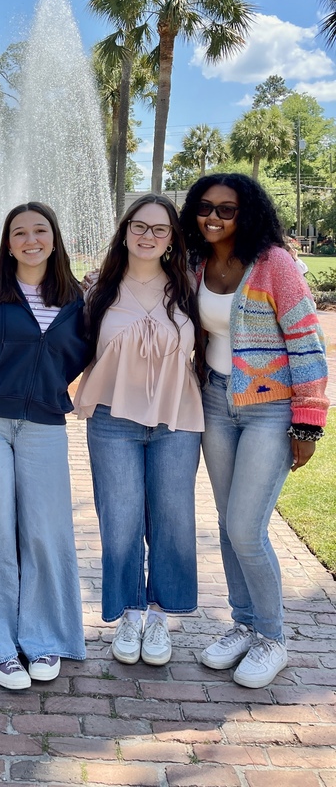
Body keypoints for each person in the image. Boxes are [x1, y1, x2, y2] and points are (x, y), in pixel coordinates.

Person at [181, 174, 329, 689]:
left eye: (228, 208)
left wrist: (309, 422)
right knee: (228, 524)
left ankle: (273, 638)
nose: (215, 216)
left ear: (249, 213)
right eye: (205, 207)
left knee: (247, 526)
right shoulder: (198, 263)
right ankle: (244, 625)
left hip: (271, 410)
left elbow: (307, 341)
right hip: (216, 404)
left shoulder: (274, 264)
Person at [0, 202, 90, 690]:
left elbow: (81, 355)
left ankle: (45, 638)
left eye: (40, 230)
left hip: (45, 425)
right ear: (8, 243)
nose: (31, 240)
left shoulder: (77, 298)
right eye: (20, 233)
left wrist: (49, 389)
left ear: (55, 237)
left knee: (46, 532)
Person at [74, 195, 204, 667]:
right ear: (125, 230)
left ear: (172, 239)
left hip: (176, 421)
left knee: (172, 520)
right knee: (121, 520)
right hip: (113, 421)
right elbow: (71, 346)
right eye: (140, 226)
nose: (148, 236)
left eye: (160, 229)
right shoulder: (98, 288)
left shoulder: (189, 287)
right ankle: (129, 612)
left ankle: (160, 616)